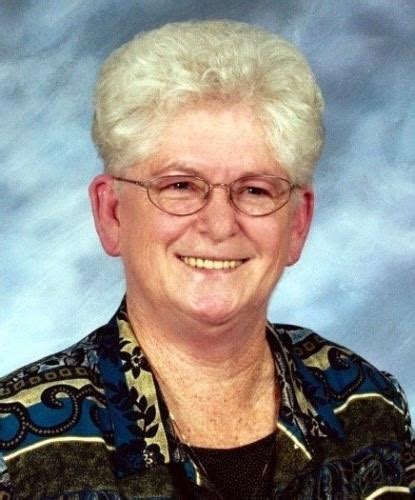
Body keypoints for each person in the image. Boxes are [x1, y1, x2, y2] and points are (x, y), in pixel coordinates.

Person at [0, 20, 413, 499]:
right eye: (180, 186)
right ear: (112, 214)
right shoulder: (15, 443)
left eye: (255, 190)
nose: (219, 225)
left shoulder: (366, 405)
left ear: (298, 224)